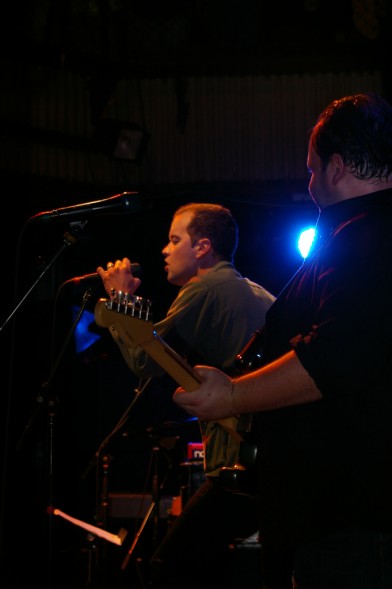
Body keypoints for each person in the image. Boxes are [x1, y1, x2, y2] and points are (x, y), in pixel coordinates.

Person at [172, 92, 392, 589]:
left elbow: (334, 358)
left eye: (311, 170)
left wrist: (232, 394)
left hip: (353, 523)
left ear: (337, 167)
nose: (309, 183)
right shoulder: (365, 234)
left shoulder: (366, 235)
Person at [96, 202, 276, 589]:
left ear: (203, 247)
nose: (164, 249)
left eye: (174, 239)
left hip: (243, 461)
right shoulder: (253, 289)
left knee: (169, 566)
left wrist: (119, 300)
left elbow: (145, 359)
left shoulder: (205, 287)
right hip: (275, 458)